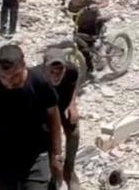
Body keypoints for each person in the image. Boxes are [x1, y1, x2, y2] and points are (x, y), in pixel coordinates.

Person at [0, 45, 64, 190]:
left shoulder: (40, 83)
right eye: (3, 77)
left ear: (23, 65)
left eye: (15, 76)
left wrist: (56, 155)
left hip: (36, 156)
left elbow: (54, 115)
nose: (9, 82)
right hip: (2, 160)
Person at [41, 50, 82, 190]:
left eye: (60, 70)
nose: (56, 75)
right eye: (52, 71)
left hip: (62, 106)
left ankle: (69, 171)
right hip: (46, 113)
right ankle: (53, 176)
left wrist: (72, 105)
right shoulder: (35, 78)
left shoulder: (72, 70)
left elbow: (75, 84)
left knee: (74, 132)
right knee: (49, 145)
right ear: (44, 68)